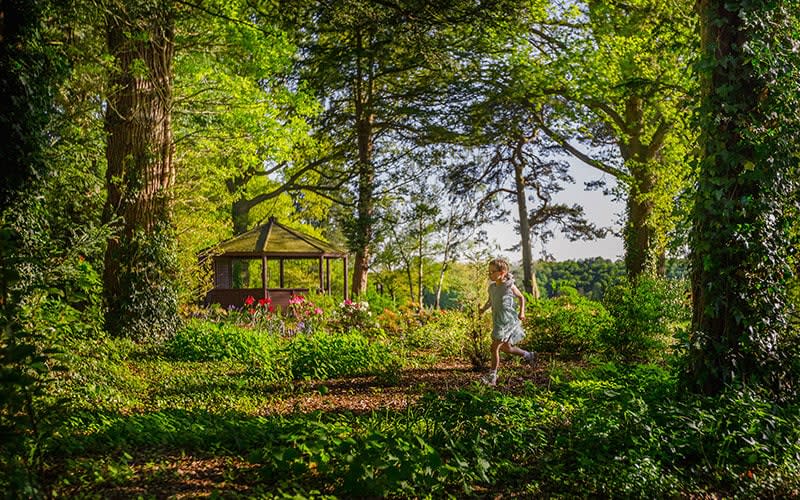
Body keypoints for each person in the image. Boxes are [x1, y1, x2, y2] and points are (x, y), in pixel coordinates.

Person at [478, 258, 536, 386]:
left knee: (494, 348)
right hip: (497, 320)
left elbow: (521, 297)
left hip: (507, 321)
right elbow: (490, 301)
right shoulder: (492, 288)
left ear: (502, 272)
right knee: (506, 348)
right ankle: (529, 355)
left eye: (493, 272)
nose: (490, 274)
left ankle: (492, 377)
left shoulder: (509, 285)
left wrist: (522, 312)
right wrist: (483, 309)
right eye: (489, 272)